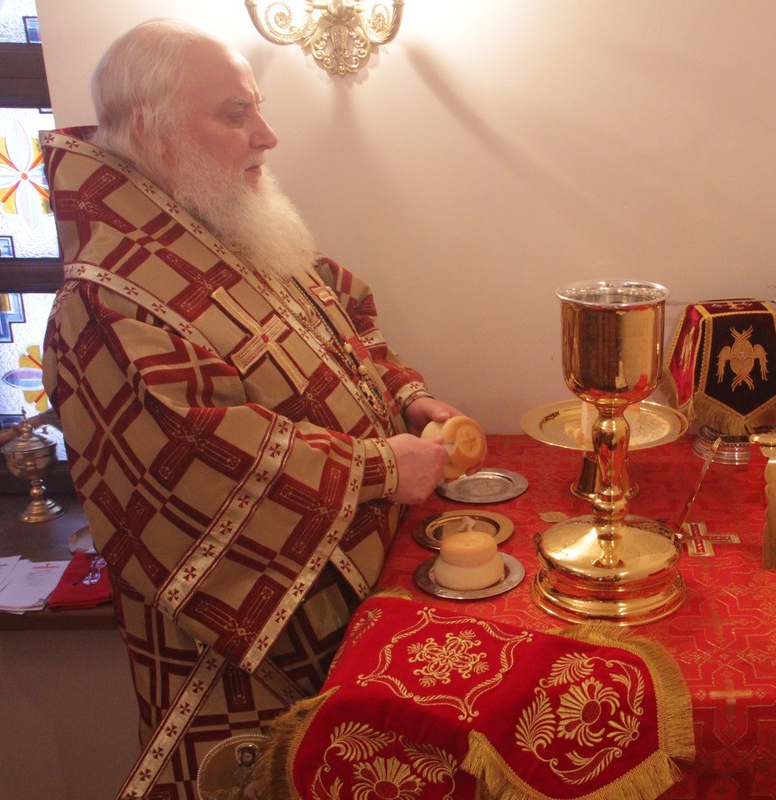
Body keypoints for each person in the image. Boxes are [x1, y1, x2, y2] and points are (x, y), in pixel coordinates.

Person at [41, 18, 476, 800]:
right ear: (153, 128)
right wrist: (378, 469)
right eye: (235, 114)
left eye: (257, 110)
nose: (266, 136)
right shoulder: (108, 296)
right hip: (239, 651)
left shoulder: (213, 224)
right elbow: (197, 452)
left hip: (350, 602)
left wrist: (404, 395)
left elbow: (343, 316)